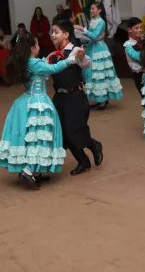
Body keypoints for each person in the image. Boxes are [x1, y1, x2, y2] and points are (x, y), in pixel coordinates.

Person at [0, 33, 83, 188]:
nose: (39, 47)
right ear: (32, 49)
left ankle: (34, 171)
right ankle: (28, 170)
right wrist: (71, 59)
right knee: (40, 137)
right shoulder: (34, 64)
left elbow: (41, 72)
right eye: (38, 45)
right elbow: (54, 68)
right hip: (38, 102)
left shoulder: (26, 63)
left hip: (26, 101)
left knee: (32, 138)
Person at [49, 20, 103, 175]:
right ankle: (83, 161)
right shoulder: (52, 56)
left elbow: (86, 63)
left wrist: (82, 56)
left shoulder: (75, 50)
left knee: (74, 130)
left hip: (75, 96)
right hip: (59, 98)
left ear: (66, 35)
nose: (53, 35)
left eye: (56, 31)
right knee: (63, 133)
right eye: (52, 32)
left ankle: (94, 145)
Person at [74, 1, 123, 110]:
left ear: (99, 10)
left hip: (99, 49)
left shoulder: (101, 22)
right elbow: (91, 36)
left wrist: (83, 29)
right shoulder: (93, 20)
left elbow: (95, 36)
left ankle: (104, 99)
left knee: (100, 73)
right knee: (93, 73)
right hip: (92, 47)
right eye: (91, 9)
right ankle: (98, 98)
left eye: (93, 9)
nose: (91, 10)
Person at [124, 17, 144, 97]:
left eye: (140, 27)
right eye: (136, 28)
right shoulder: (128, 45)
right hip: (139, 74)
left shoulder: (144, 39)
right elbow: (133, 64)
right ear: (129, 29)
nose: (139, 30)